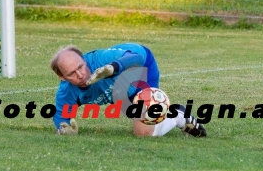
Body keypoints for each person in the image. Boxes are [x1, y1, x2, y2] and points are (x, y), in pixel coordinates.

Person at [49, 43, 207, 137]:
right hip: (120, 88)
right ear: (62, 77)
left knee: (143, 133)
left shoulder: (101, 59)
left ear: (84, 59)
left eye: (81, 67)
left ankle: (178, 115)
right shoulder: (67, 92)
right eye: (72, 73)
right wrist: (64, 130)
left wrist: (113, 68)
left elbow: (137, 57)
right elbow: (61, 119)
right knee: (132, 111)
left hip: (139, 68)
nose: (81, 74)